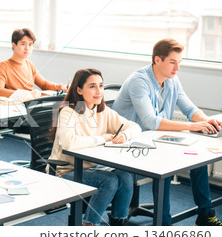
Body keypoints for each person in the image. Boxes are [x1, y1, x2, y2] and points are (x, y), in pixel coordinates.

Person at [112, 38, 222, 226]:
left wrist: (207, 119)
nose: (177, 68)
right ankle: (164, 224)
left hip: (155, 139)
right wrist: (191, 126)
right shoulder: (139, 81)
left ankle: (205, 214)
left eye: (179, 63)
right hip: (130, 142)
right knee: (166, 166)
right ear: (157, 60)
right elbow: (150, 121)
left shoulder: (172, 80)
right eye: (172, 62)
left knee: (199, 159)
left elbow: (189, 109)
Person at [49, 68, 142, 226]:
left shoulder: (103, 112)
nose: (99, 91)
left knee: (125, 177)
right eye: (92, 86)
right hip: (67, 170)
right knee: (110, 181)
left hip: (94, 168)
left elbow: (135, 127)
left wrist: (125, 135)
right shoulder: (68, 112)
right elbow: (68, 143)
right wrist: (102, 139)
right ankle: (89, 226)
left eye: (101, 85)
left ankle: (118, 223)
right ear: (79, 90)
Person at [0, 28, 67, 98]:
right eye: (23, 44)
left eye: (30, 44)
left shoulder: (29, 64)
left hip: (31, 103)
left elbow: (44, 84)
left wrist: (61, 87)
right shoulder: (3, 66)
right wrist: (26, 94)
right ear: (14, 45)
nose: (27, 48)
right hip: (16, 105)